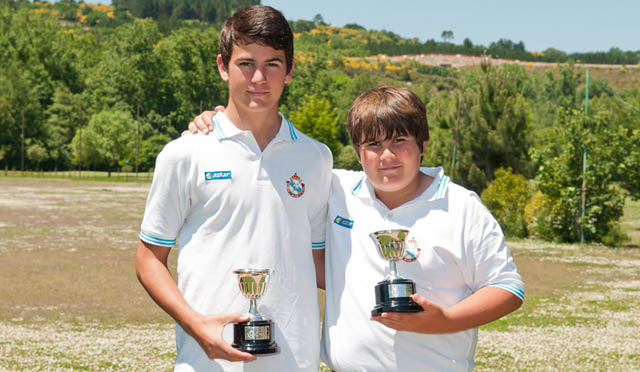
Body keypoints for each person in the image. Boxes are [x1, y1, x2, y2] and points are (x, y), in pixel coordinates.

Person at [188, 86, 524, 371]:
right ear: (358, 153)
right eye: (373, 145)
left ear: (422, 144)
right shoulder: (336, 190)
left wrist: (445, 320)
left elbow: (508, 289)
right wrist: (228, 120)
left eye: (399, 141)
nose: (386, 155)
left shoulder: (460, 206)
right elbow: (272, 164)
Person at [136, 5, 332, 372]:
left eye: (273, 63)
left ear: (289, 70)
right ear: (223, 66)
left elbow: (321, 263)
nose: (259, 77)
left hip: (295, 363)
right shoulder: (184, 153)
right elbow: (148, 258)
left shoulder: (317, 158)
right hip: (207, 361)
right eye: (246, 63)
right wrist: (196, 326)